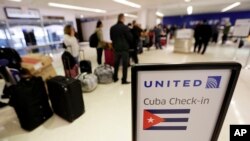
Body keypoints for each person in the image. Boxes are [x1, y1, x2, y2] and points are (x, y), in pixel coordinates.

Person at [110, 13, 133, 84]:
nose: (125, 19)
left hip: (116, 49)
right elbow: (130, 38)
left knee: (116, 64)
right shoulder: (125, 27)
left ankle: (115, 78)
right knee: (125, 65)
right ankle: (124, 80)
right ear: (122, 18)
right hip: (124, 49)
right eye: (124, 18)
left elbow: (111, 38)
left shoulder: (112, 27)